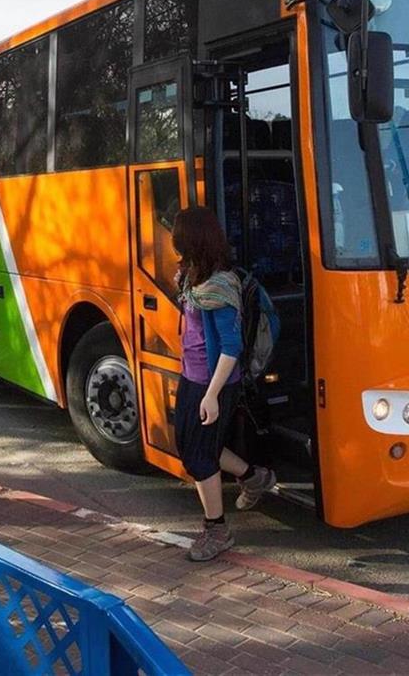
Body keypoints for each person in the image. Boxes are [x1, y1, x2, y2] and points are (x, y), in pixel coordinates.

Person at [171, 206, 275, 562]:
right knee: (191, 446)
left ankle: (217, 530)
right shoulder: (195, 277)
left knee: (200, 456)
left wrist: (212, 396)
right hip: (192, 377)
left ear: (193, 240)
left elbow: (231, 348)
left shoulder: (219, 285)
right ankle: (253, 476)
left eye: (180, 238)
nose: (174, 244)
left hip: (214, 382)